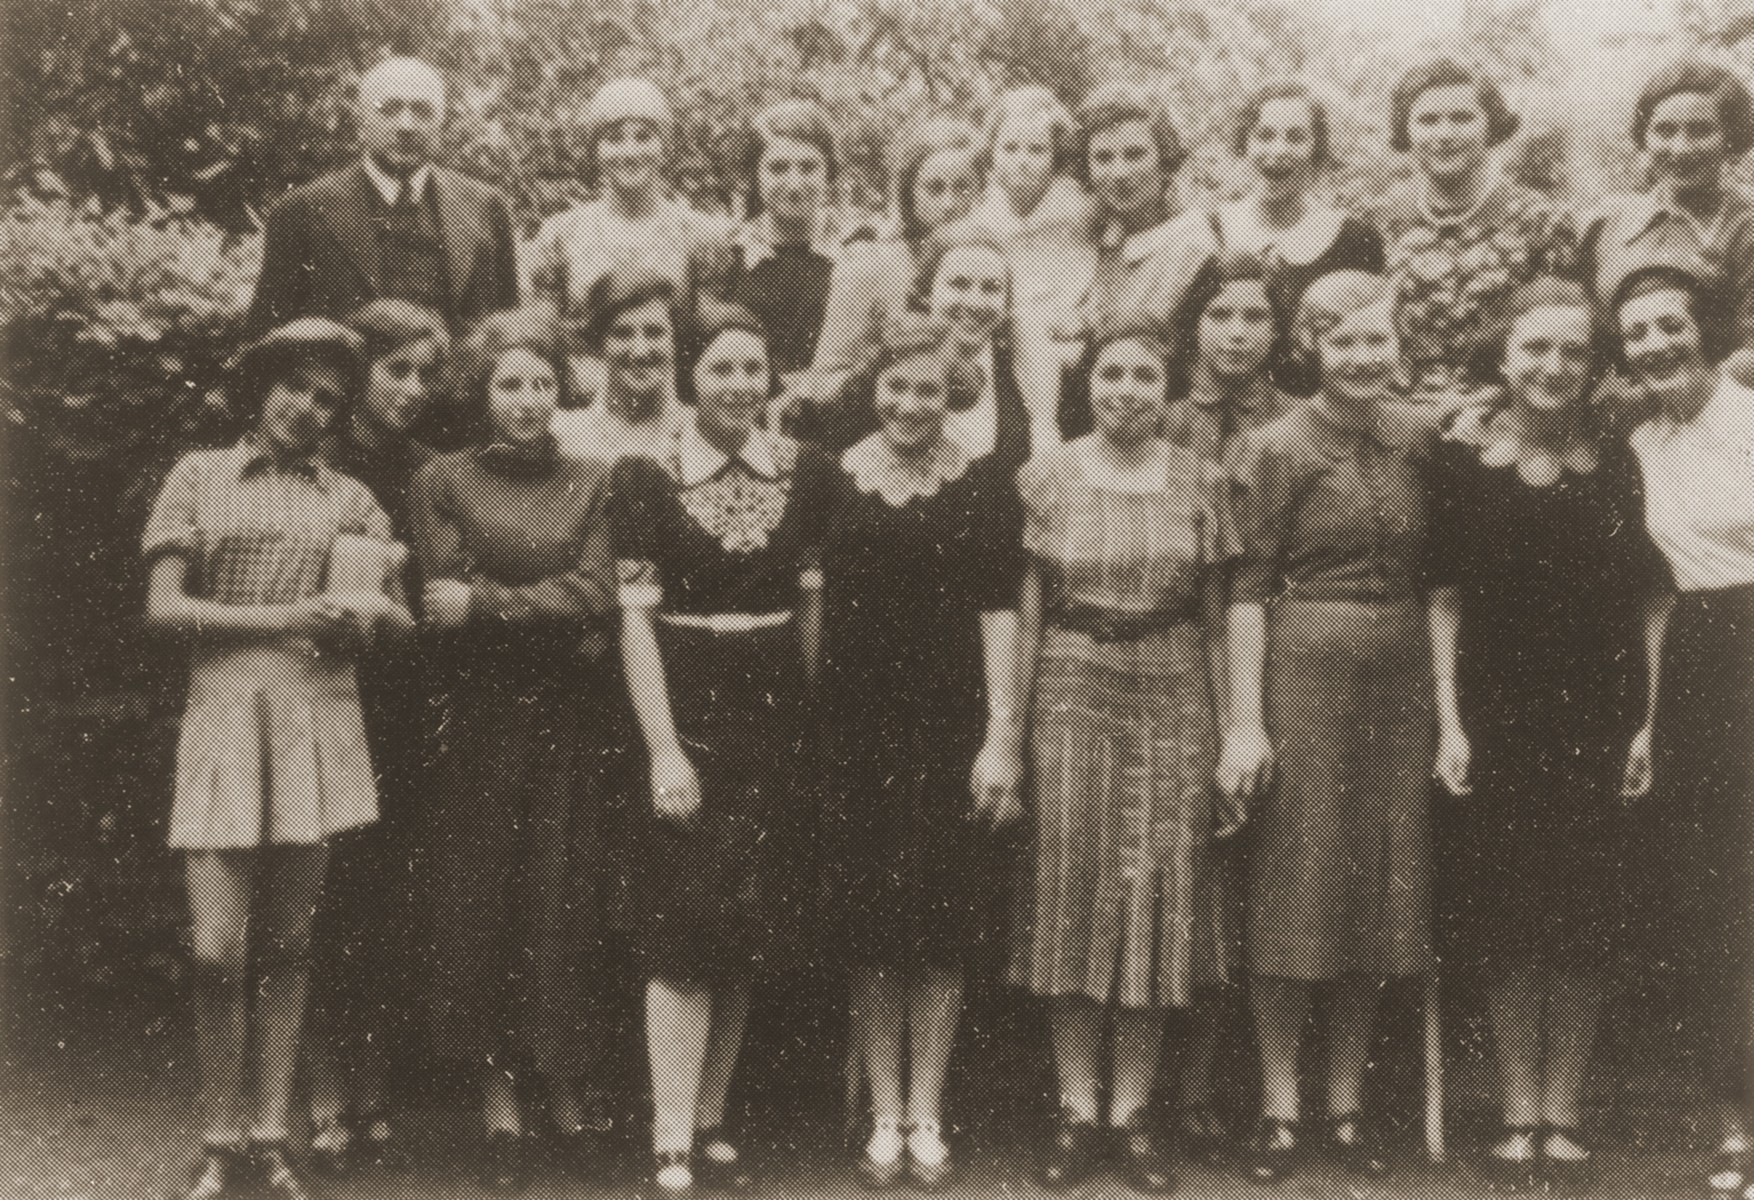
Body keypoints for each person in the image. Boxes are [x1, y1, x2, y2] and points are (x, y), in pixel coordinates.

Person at [143, 318, 412, 1200]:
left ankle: (266, 1136)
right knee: (220, 947)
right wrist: (285, 620)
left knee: (292, 943)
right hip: (224, 711)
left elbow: (394, 620)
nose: (307, 408)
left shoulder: (352, 499)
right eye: (293, 386)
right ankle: (218, 1135)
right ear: (259, 387)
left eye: (328, 398)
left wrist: (369, 609)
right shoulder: (199, 475)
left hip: (317, 718)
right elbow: (164, 607)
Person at [1426, 276, 1672, 1193]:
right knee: (1507, 916)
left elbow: (1653, 594)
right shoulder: (1460, 463)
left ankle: (1562, 1111)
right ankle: (1516, 1108)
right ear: (1503, 359)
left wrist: (1648, 722)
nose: (1553, 366)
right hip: (1494, 719)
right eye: (1535, 348)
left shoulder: (1621, 461)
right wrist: (1449, 721)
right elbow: (1442, 598)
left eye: (1573, 351)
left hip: (1598, 718)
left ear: (1596, 367)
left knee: (1581, 917)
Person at [610, 298, 838, 1197]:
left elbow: (813, 604)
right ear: (689, 378)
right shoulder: (644, 475)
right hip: (688, 695)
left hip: (776, 703)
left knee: (747, 920)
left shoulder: (808, 471)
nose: (739, 386)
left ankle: (711, 1118)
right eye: (719, 369)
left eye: (753, 368)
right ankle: (668, 1133)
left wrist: (812, 721)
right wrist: (664, 749)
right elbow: (635, 624)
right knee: (686, 919)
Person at [1003, 327, 1238, 1195]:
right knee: (1072, 890)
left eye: (1145, 374)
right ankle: (1075, 1108)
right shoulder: (1047, 477)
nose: (1127, 388)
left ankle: (1130, 1111)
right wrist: (1010, 729)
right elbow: (1026, 616)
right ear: (1087, 383)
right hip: (1069, 685)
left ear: (1167, 387)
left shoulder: (1202, 480)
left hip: (1174, 689)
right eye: (1111, 372)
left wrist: (1232, 728)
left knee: (1154, 895)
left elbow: (1216, 621)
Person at [1219, 271, 1435, 1185]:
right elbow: (1246, 590)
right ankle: (1278, 1106)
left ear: (1398, 345)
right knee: (1295, 886)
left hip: (1403, 678)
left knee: (1378, 891)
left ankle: (1344, 1105)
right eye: (1343, 340)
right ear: (1311, 347)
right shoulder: (1272, 448)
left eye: (1377, 339)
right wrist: (1245, 723)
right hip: (1302, 672)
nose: (1362, 357)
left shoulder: (1425, 437)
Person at [410, 308, 619, 1194]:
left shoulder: (596, 476)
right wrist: (546, 610)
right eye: (509, 384)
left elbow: (599, 590)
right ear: (481, 392)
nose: (528, 401)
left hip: (569, 718)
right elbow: (441, 595)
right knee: (484, 898)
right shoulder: (441, 480)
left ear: (561, 388)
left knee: (561, 894)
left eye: (541, 382)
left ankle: (565, 1088)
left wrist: (496, 609)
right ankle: (498, 1096)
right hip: (480, 722)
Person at [815, 314, 1023, 1191]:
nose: (908, 403)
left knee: (940, 929)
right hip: (855, 733)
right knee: (871, 929)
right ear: (873, 388)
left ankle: (927, 1108)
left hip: (947, 729)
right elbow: (811, 612)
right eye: (895, 387)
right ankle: (885, 1108)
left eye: (927, 389)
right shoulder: (829, 481)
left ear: (954, 394)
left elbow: (998, 611)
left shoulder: (980, 488)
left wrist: (1001, 734)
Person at [1609, 267, 1754, 1200]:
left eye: (1672, 324)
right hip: (1704, 663)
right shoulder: (1639, 442)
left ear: (1707, 328)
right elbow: (1659, 593)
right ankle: (1739, 1120)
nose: (1657, 343)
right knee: (1721, 897)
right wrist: (1652, 722)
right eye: (1637, 333)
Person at [1156, 249, 1295, 1163]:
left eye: (1253, 315)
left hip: (1281, 657)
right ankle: (1155, 1091)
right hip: (1180, 657)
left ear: (1278, 329)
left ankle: (1213, 1082)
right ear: (1194, 325)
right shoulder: (1160, 417)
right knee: (1181, 865)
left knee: (1249, 874)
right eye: (1219, 315)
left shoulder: (1295, 422)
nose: (1236, 332)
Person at [305, 299, 447, 1179]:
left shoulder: (435, 471)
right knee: (326, 892)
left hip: (404, 698)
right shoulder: (318, 463)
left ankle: (375, 1085)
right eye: (396, 370)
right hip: (324, 690)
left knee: (391, 896)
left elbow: (437, 596)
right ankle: (324, 1092)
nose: (413, 389)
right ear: (361, 375)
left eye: (428, 374)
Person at [247, 57, 519, 336]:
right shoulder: (302, 210)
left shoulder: (487, 206)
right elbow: (267, 344)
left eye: (423, 111)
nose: (406, 125)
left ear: (442, 122)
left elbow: (512, 338)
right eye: (389, 109)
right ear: (362, 121)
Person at [1370, 58, 1576, 402]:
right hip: (1395, 415)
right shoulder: (1378, 220)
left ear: (1490, 126)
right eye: (1427, 120)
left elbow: (1567, 335)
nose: (1444, 134)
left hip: (1506, 413)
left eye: (1462, 118)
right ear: (1406, 130)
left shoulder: (1542, 221)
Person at [527, 77, 734, 403]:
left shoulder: (700, 235)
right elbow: (540, 339)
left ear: (664, 146)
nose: (629, 151)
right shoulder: (561, 234)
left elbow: (712, 337)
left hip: (673, 401)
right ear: (596, 149)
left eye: (643, 137)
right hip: (584, 404)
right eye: (613, 139)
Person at [799, 115, 983, 407]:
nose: (949, 205)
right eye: (934, 188)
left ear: (981, 191)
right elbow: (824, 384)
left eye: (962, 188)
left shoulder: (992, 265)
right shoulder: (870, 265)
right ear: (909, 193)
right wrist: (880, 366)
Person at [1214, 80, 1383, 393]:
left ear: (1316, 151)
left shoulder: (1355, 238)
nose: (1278, 151)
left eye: (1295, 137)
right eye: (1264, 135)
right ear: (1245, 145)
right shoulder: (1210, 228)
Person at [1582, 60, 1754, 355]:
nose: (1680, 148)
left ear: (1730, 138)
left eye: (1700, 131)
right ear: (1645, 137)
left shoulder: (1744, 228)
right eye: (1664, 130)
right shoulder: (1607, 225)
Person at [973, 86, 1097, 446]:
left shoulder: (1078, 209)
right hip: (1011, 334)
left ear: (1056, 157)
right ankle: (1044, 429)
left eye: (1036, 150)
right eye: (1010, 149)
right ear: (992, 156)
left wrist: (1082, 318)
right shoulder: (985, 216)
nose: (1022, 161)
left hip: (1069, 322)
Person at [1072, 82, 1218, 375]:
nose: (1119, 173)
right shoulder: (1093, 237)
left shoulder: (1193, 246)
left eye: (1135, 154)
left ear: (1163, 159)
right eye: (1103, 158)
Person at [725, 99, 850, 390]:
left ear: (828, 173)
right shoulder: (731, 255)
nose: (794, 184)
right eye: (778, 168)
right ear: (754, 176)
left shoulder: (855, 252)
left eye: (808, 167)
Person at [551, 266, 689, 466]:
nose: (640, 352)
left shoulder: (702, 431)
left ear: (675, 339)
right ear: (599, 343)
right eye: (622, 333)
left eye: (654, 332)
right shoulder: (565, 435)